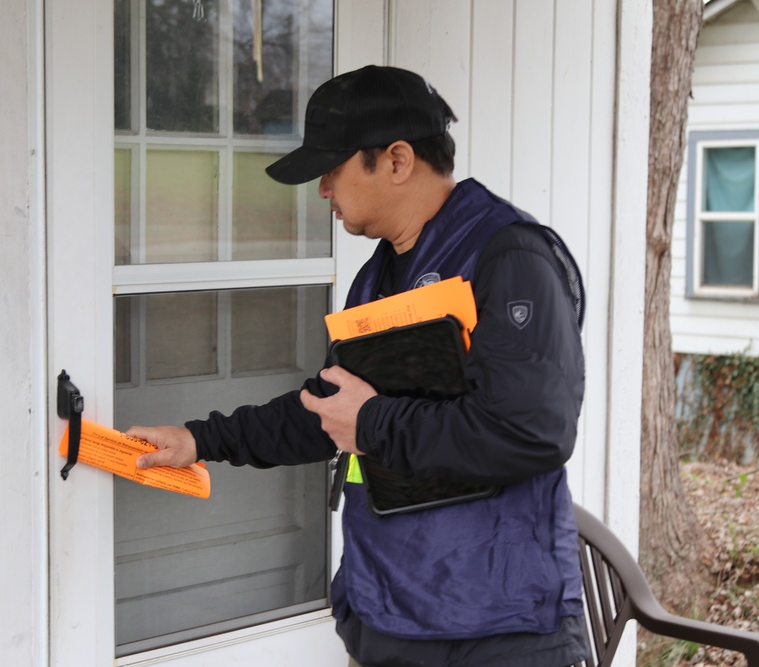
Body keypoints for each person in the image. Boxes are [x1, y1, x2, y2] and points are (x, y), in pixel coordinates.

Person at [129, 65, 590, 667]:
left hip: (491, 629)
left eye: (332, 168)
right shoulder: (377, 277)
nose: (322, 189)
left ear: (397, 160)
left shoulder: (509, 258)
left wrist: (372, 424)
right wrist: (200, 439)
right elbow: (328, 410)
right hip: (386, 611)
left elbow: (533, 432)